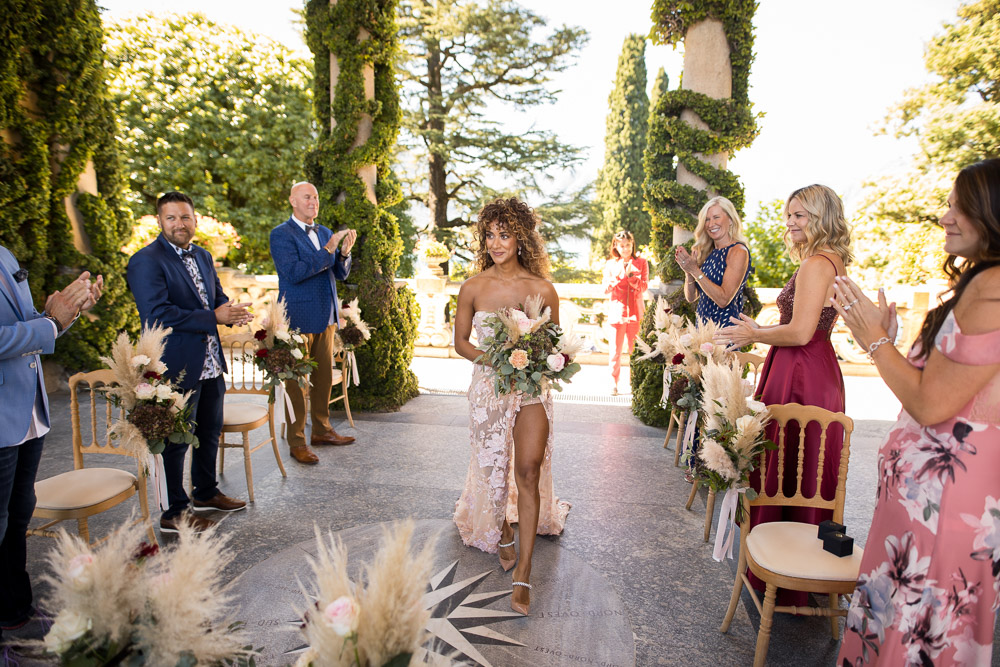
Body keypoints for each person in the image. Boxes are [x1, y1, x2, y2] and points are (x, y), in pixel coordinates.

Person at [834, 159, 1000, 666]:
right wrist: (895, 345)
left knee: (914, 636)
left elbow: (929, 405)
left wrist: (874, 340)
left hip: (944, 505)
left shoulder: (991, 288)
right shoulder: (985, 282)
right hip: (929, 503)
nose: (946, 217)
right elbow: (942, 390)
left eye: (959, 206)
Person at [716, 184, 852, 606]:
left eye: (801, 215)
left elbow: (800, 331)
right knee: (803, 464)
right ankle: (795, 562)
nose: (790, 222)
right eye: (789, 214)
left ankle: (786, 573)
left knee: (791, 461)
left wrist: (755, 332)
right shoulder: (831, 259)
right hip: (808, 367)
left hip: (801, 372)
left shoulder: (817, 263)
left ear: (822, 217)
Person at [453, 197, 571, 616]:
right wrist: (497, 359)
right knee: (490, 469)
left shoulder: (542, 290)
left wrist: (541, 359)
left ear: (521, 236)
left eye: (504, 234)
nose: (496, 242)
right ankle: (502, 528)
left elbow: (554, 345)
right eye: (489, 234)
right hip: (488, 389)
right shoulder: (473, 286)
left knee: (527, 470)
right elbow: (461, 343)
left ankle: (523, 573)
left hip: (532, 390)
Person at [127, 191, 251, 535]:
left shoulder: (204, 256)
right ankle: (174, 512)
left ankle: (206, 492)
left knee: (209, 430)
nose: (180, 224)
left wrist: (230, 312)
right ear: (159, 221)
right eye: (172, 218)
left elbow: (215, 297)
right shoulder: (146, 261)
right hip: (174, 364)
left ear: (194, 220)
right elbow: (157, 313)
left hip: (210, 361)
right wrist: (212, 315)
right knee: (175, 440)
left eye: (185, 217)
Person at [0, 247, 101, 646]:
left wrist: (66, 315)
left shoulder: (5, 254)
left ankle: (14, 611)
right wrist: (49, 322)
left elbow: (34, 328)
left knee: (17, 515)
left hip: (27, 413)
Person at [270, 181, 357, 465]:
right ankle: (297, 442)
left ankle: (322, 431)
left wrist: (342, 253)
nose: (314, 201)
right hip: (296, 320)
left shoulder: (325, 232)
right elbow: (293, 273)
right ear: (293, 200)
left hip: (326, 317)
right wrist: (327, 251)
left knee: (321, 381)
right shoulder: (280, 234)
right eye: (307, 197)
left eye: (316, 197)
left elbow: (339, 274)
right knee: (296, 384)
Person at [674, 196, 752, 326]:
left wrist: (695, 270)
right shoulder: (708, 252)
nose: (711, 224)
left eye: (716, 217)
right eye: (707, 219)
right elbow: (691, 297)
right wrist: (688, 272)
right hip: (702, 331)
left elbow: (723, 299)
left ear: (731, 220)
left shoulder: (738, 251)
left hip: (724, 332)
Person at [602, 230, 649, 395]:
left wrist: (631, 277)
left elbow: (644, 287)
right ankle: (613, 383)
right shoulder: (610, 265)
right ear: (616, 246)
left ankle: (634, 384)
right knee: (615, 352)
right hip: (617, 313)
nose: (625, 248)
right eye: (622, 245)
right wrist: (618, 275)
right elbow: (605, 290)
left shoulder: (642, 262)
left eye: (628, 245)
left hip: (636, 314)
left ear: (632, 244)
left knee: (634, 352)